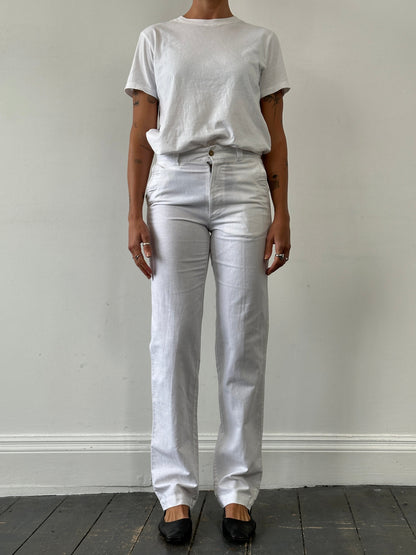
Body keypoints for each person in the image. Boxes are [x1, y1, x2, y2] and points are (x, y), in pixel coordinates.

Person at [124, 0, 291, 545]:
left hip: (244, 184)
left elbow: (275, 132)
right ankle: (175, 491)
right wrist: (134, 213)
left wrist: (283, 211)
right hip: (173, 186)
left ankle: (238, 488)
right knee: (172, 340)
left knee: (243, 338)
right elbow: (140, 132)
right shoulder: (156, 39)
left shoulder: (261, 40)